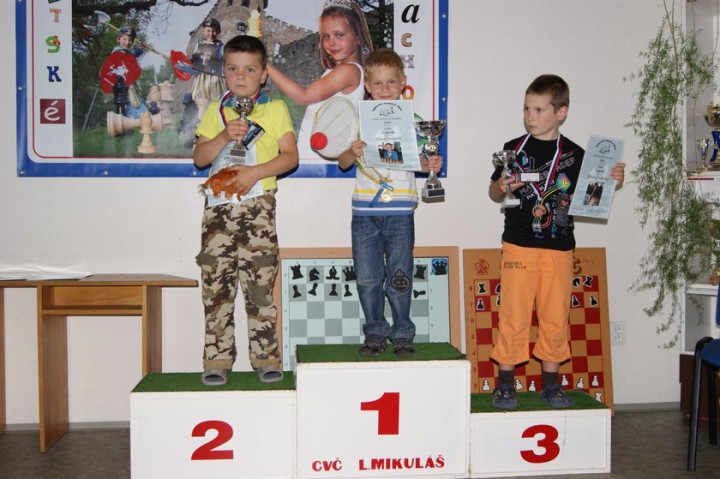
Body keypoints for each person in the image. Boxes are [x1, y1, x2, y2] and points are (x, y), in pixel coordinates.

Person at [488, 74, 625, 409]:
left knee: (554, 314)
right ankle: (505, 382)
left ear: (561, 112)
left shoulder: (576, 155)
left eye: (539, 110)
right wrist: (502, 186)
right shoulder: (513, 149)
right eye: (526, 109)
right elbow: (493, 193)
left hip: (560, 246)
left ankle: (550, 383)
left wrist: (611, 181)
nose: (530, 116)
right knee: (514, 313)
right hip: (519, 243)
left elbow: (591, 197)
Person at [193, 35, 299, 386]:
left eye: (250, 69)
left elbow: (290, 157)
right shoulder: (216, 109)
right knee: (216, 286)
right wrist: (224, 136)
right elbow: (200, 158)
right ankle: (217, 359)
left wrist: (256, 172)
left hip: (258, 209)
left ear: (264, 74)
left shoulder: (275, 109)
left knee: (259, 286)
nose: (241, 76)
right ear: (223, 72)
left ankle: (266, 357)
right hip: (218, 210)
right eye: (233, 69)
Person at [335, 48, 443, 357]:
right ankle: (375, 332)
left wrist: (432, 163)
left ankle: (403, 333)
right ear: (367, 85)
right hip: (364, 213)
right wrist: (352, 151)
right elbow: (343, 162)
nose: (384, 89)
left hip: (400, 212)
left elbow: (423, 161)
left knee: (400, 276)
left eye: (391, 82)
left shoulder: (414, 122)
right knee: (367, 278)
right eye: (378, 83)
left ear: (403, 82)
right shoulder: (358, 121)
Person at [267, 0, 373, 158]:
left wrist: (266, 67)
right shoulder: (337, 71)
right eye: (326, 36)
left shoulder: (348, 71)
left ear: (358, 38)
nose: (332, 42)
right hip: (316, 158)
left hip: (325, 163)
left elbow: (303, 96)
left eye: (339, 35)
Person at [111, 26, 146, 118]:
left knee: (133, 101)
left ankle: (135, 117)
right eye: (124, 39)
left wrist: (140, 48)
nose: (127, 42)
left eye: (130, 40)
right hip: (121, 85)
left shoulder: (126, 51)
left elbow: (132, 55)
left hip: (128, 84)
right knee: (127, 103)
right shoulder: (117, 51)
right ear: (118, 39)